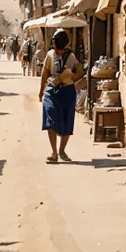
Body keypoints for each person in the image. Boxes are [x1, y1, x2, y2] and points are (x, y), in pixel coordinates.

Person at [39, 29, 83, 164]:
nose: (53, 44)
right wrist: (41, 90)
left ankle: (62, 150)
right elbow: (45, 72)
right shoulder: (50, 55)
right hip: (51, 91)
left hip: (67, 91)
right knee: (50, 118)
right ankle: (54, 153)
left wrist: (69, 77)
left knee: (67, 119)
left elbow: (79, 72)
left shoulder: (71, 57)